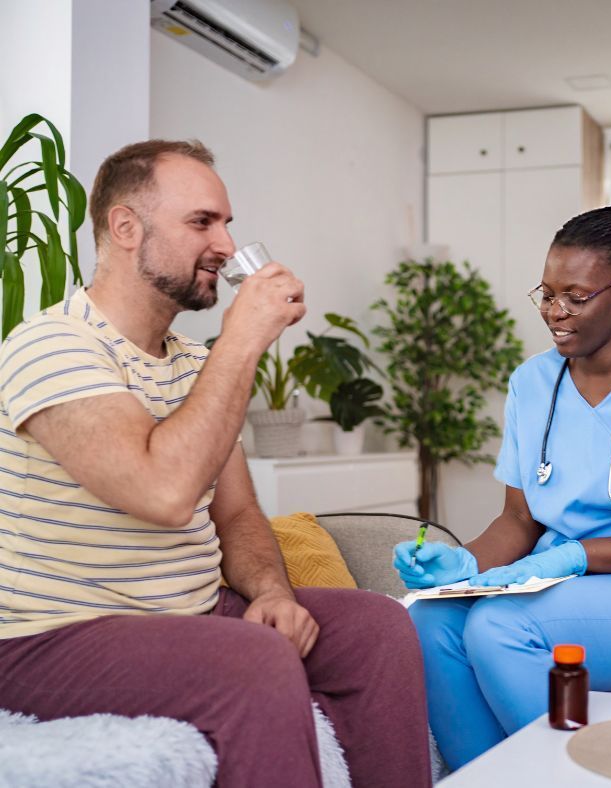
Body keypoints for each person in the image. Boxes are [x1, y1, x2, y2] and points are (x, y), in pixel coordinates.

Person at [0, 139, 431, 788]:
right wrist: (242, 338)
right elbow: (164, 492)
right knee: (254, 660)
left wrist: (274, 594)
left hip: (195, 616)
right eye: (202, 222)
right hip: (53, 636)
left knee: (379, 627)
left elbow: (236, 513)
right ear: (126, 227)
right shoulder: (53, 345)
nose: (227, 245)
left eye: (227, 224)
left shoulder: (195, 365)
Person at [394, 205, 611, 768]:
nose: (556, 312)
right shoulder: (531, 383)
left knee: (498, 627)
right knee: (429, 622)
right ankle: (487, 777)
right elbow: (519, 520)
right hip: (551, 581)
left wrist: (577, 555)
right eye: (548, 294)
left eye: (576, 298)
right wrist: (462, 564)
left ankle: (573, 774)